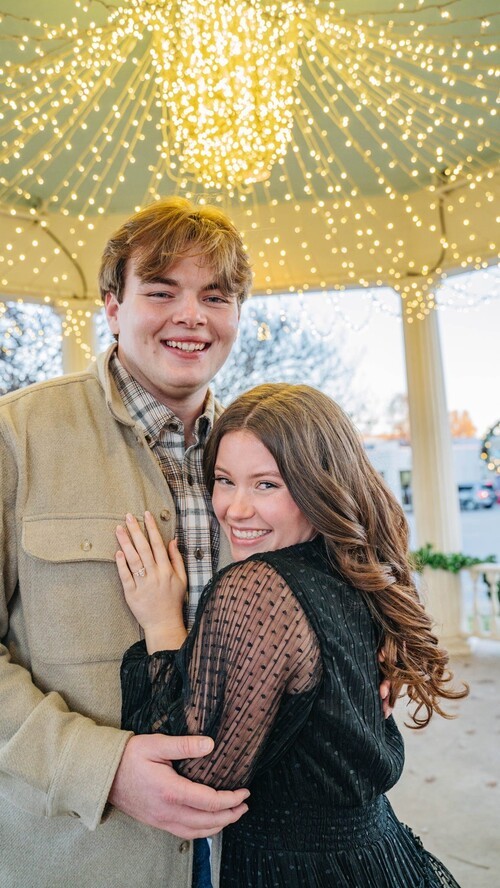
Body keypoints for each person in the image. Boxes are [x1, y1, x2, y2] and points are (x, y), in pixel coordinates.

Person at [116, 383, 468, 888]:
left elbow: (192, 777)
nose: (236, 509)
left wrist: (161, 624)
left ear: (318, 487)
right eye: (224, 480)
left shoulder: (258, 587)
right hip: (376, 856)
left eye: (267, 485)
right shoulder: (350, 570)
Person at [0, 197, 253, 888]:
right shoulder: (16, 436)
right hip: (79, 856)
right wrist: (100, 769)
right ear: (113, 307)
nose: (191, 316)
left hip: (247, 846)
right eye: (162, 292)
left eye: (215, 296)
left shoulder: (266, 452)